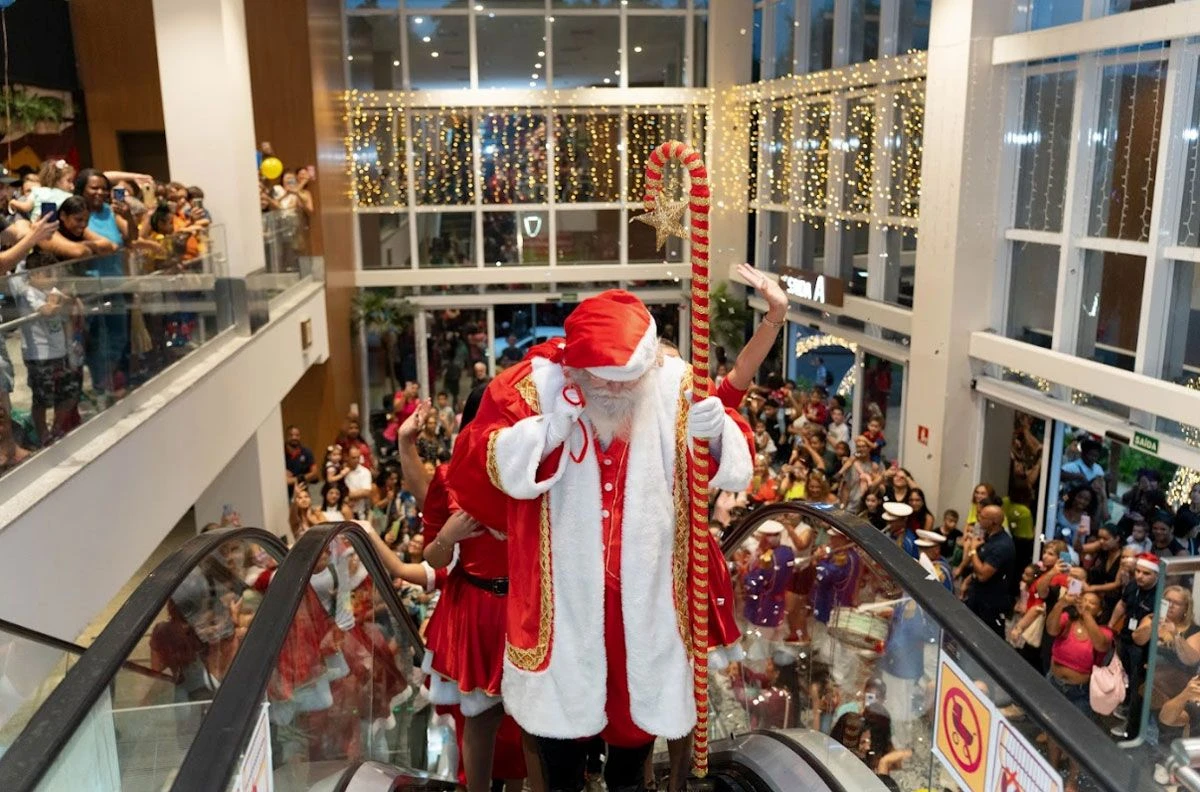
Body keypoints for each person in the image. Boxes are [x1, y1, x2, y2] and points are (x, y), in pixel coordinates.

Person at [447, 290, 753, 792]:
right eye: (601, 379)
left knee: (632, 760)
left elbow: (732, 460)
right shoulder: (528, 390)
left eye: (627, 379)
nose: (614, 390)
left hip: (645, 615)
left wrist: (718, 434)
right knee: (559, 761)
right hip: (560, 614)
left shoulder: (676, 387)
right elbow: (472, 466)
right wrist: (546, 434)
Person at [10, 250, 83, 444]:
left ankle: (57, 428)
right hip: (39, 356)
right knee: (42, 399)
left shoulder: (51, 291)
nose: (54, 277)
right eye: (48, 273)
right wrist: (56, 300)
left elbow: (68, 302)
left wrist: (66, 298)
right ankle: (43, 434)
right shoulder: (28, 292)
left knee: (69, 394)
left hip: (61, 353)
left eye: (55, 272)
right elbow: (48, 310)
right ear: (33, 275)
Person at [1045, 590, 1112, 791]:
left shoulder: (1105, 632)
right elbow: (1050, 629)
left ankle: (1073, 779)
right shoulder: (1067, 621)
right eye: (1085, 600)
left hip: (1080, 692)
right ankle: (1051, 769)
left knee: (1078, 736)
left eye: (1093, 603)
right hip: (1055, 683)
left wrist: (1086, 615)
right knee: (1053, 729)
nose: (1087, 604)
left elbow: (1101, 645)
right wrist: (1061, 604)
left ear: (1100, 611)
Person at [1108, 553, 1160, 740]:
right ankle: (1126, 704)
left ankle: (1132, 726)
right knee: (1125, 676)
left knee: (1138, 683)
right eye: (1137, 571)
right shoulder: (1132, 586)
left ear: (1156, 575)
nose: (1139, 576)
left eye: (1146, 573)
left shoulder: (1159, 595)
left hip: (1143, 648)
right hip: (1125, 638)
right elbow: (1122, 605)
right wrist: (1111, 625)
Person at [959, 504, 1015, 637]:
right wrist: (968, 580)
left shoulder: (1001, 546)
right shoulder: (988, 537)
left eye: (982, 517)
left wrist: (973, 550)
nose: (978, 518)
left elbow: (983, 575)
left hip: (991, 604)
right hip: (977, 598)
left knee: (986, 638)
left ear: (993, 522)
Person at [284, 425, 318, 498]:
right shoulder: (279, 452)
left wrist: (297, 479)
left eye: (297, 435)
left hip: (302, 492)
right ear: (286, 436)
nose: (294, 437)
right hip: (282, 491)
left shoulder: (306, 452)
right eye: (291, 435)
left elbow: (314, 474)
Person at [343, 445, 374, 520]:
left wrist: (345, 495)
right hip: (341, 513)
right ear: (347, 457)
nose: (356, 460)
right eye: (353, 458)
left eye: (358, 457)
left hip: (359, 513)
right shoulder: (340, 471)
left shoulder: (365, 472)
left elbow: (366, 492)